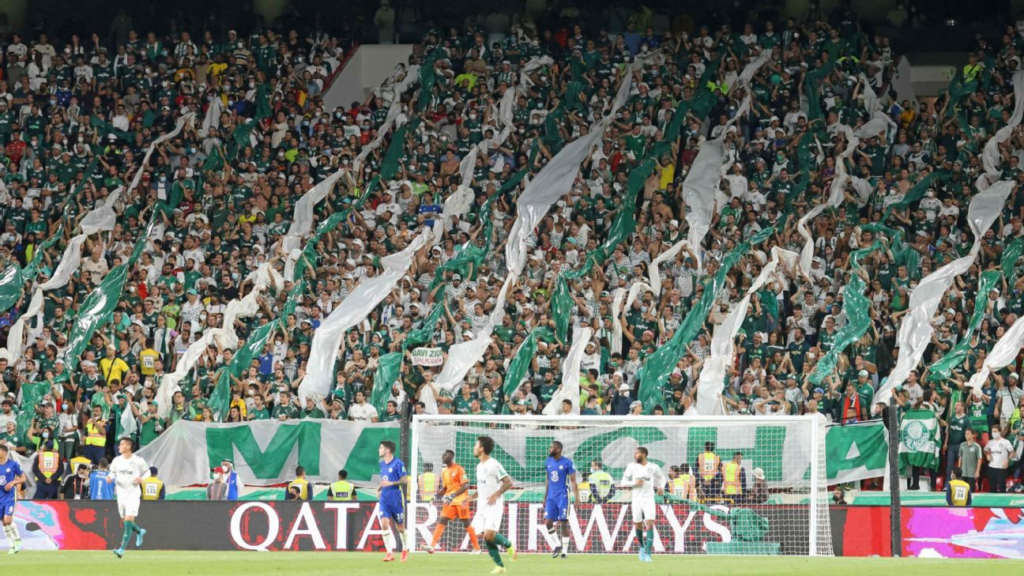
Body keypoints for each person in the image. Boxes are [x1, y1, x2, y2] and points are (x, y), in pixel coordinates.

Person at [469, 436, 516, 573]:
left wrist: (497, 493)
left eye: (476, 445)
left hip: (494, 504)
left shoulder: (494, 464)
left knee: (489, 535)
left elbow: (508, 482)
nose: (474, 447)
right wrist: (471, 497)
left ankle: (509, 544)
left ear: (482, 449)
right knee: (485, 536)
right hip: (482, 505)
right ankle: (500, 566)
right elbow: (482, 488)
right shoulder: (479, 466)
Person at [422, 450, 479, 553]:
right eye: (443, 455)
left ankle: (477, 548)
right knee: (442, 520)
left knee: (466, 523)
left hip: (461, 501)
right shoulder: (444, 471)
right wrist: (435, 496)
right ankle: (432, 546)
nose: (443, 456)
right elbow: (445, 489)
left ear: (451, 457)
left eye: (446, 455)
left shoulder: (459, 469)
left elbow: (466, 485)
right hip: (449, 501)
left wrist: (453, 495)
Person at [620, 446, 665, 563]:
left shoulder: (653, 467)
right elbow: (623, 483)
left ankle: (648, 553)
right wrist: (635, 483)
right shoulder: (632, 466)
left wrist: (661, 487)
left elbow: (662, 478)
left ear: (644, 454)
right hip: (636, 500)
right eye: (635, 453)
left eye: (637, 453)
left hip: (649, 498)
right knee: (638, 525)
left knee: (649, 523)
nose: (635, 455)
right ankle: (642, 546)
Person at [108, 437, 150, 558]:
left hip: (132, 493)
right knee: (126, 522)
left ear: (128, 447)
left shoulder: (138, 460)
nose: (119, 447)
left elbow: (148, 472)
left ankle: (121, 549)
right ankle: (139, 531)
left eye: (121, 444)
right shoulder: (117, 460)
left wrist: (142, 479)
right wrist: (110, 477)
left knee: (127, 523)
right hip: (120, 494)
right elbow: (112, 472)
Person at [543, 440, 579, 558]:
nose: (549, 449)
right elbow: (548, 479)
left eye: (551, 447)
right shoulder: (548, 462)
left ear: (557, 449)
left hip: (563, 496)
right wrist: (545, 496)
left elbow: (573, 481)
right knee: (548, 522)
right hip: (551, 497)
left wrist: (577, 498)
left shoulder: (567, 462)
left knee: (564, 522)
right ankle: (557, 545)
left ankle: (564, 552)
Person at [377, 440, 410, 562]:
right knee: (384, 523)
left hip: (396, 497)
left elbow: (405, 480)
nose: (378, 450)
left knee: (400, 527)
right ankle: (389, 552)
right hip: (384, 498)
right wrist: (380, 487)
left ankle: (406, 549)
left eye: (380, 448)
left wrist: (390, 483)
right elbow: (384, 479)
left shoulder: (398, 463)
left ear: (387, 450)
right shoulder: (382, 464)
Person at [0, 444, 25, 554]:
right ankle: (11, 545)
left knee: (7, 520)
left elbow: (23, 478)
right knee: (4, 523)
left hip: (9, 495)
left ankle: (18, 539)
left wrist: (13, 482)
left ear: (4, 452)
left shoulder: (13, 464)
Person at [985, 429, 1014, 493]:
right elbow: (985, 450)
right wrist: (988, 454)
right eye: (992, 431)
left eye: (995, 431)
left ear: (999, 432)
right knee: (992, 487)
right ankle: (993, 502)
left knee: (1002, 487)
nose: (993, 433)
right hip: (992, 467)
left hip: (1001, 468)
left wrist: (1007, 460)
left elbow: (1012, 452)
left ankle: (1002, 502)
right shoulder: (990, 442)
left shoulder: (1005, 442)